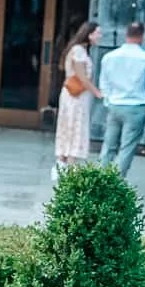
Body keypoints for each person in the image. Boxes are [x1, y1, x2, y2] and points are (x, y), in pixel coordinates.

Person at [97, 21, 145, 176]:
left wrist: (108, 100)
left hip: (115, 103)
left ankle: (99, 178)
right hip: (136, 105)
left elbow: (103, 83)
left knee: (109, 145)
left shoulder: (109, 57)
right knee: (127, 147)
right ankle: (116, 181)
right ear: (142, 36)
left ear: (126, 35)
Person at [54, 21, 103, 176]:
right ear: (89, 34)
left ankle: (63, 164)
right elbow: (82, 77)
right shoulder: (78, 51)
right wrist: (97, 92)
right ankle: (69, 164)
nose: (99, 36)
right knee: (74, 125)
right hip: (75, 96)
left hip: (76, 95)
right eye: (97, 33)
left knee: (70, 125)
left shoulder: (80, 50)